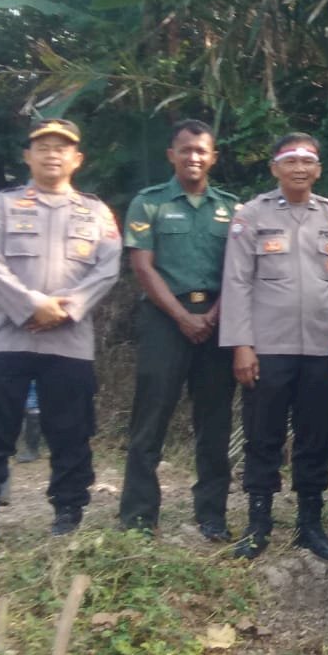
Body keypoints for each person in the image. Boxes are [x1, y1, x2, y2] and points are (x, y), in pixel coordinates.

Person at [0, 118, 122, 553]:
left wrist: (63, 310)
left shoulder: (97, 213)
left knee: (70, 432)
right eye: (43, 146)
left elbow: (107, 268)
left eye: (62, 147)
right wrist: (33, 305)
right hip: (4, 338)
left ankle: (68, 516)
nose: (53, 153)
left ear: (77, 159)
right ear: (27, 156)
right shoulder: (3, 206)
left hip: (68, 343)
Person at [219, 133, 328, 560]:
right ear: (275, 168)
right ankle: (258, 519)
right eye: (290, 161)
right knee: (262, 434)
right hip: (269, 345)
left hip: (323, 346)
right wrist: (241, 345)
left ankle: (310, 521)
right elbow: (237, 281)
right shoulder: (251, 215)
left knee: (315, 434)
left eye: (308, 161)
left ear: (318, 169)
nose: (299, 168)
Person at [117, 120, 240, 540]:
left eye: (201, 151)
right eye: (185, 149)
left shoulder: (231, 208)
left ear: (213, 157)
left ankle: (212, 515)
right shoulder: (148, 203)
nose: (193, 157)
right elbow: (142, 266)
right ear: (172, 154)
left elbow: (238, 270)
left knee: (215, 422)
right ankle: (137, 515)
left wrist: (215, 313)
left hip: (217, 320)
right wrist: (182, 316)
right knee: (151, 417)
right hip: (164, 319)